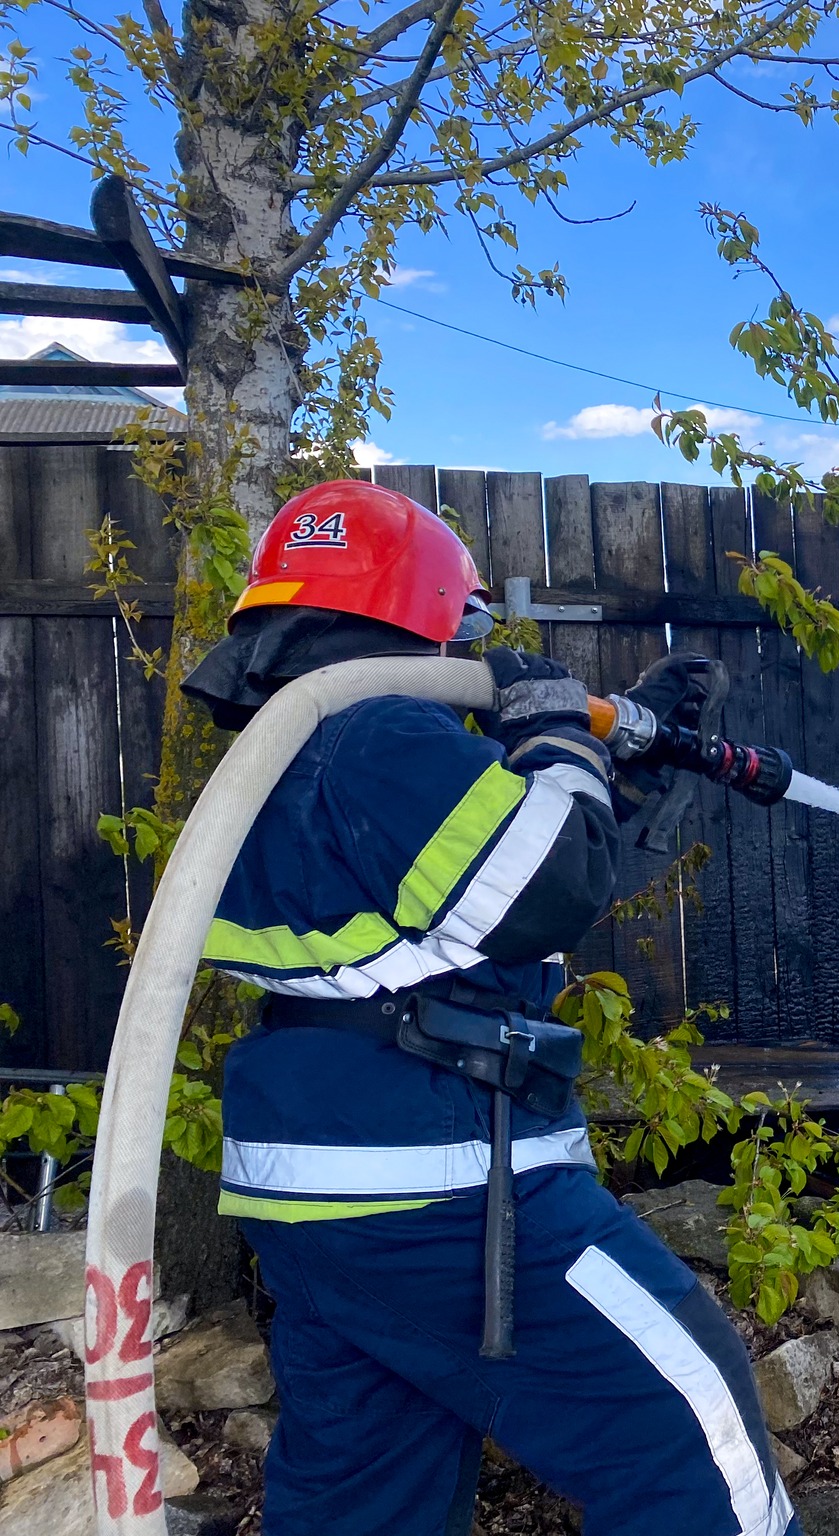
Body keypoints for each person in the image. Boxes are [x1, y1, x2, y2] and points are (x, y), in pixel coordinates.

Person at [180, 479, 794, 1536]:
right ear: (430, 618)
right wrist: (561, 737)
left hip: (320, 1199)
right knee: (693, 1445)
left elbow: (490, 916)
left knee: (367, 1495)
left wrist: (623, 779)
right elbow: (543, 877)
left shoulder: (282, 760)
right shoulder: (379, 740)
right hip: (449, 1191)